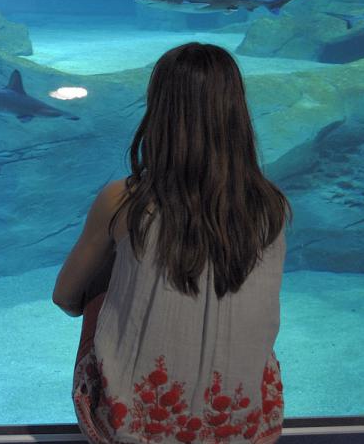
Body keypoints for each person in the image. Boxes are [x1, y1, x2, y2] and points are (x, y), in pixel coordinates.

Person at [53, 42, 290, 444]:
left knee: (100, 284)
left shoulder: (123, 199)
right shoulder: (272, 205)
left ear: (158, 110)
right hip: (246, 428)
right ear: (236, 111)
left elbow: (65, 297)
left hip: (132, 431)